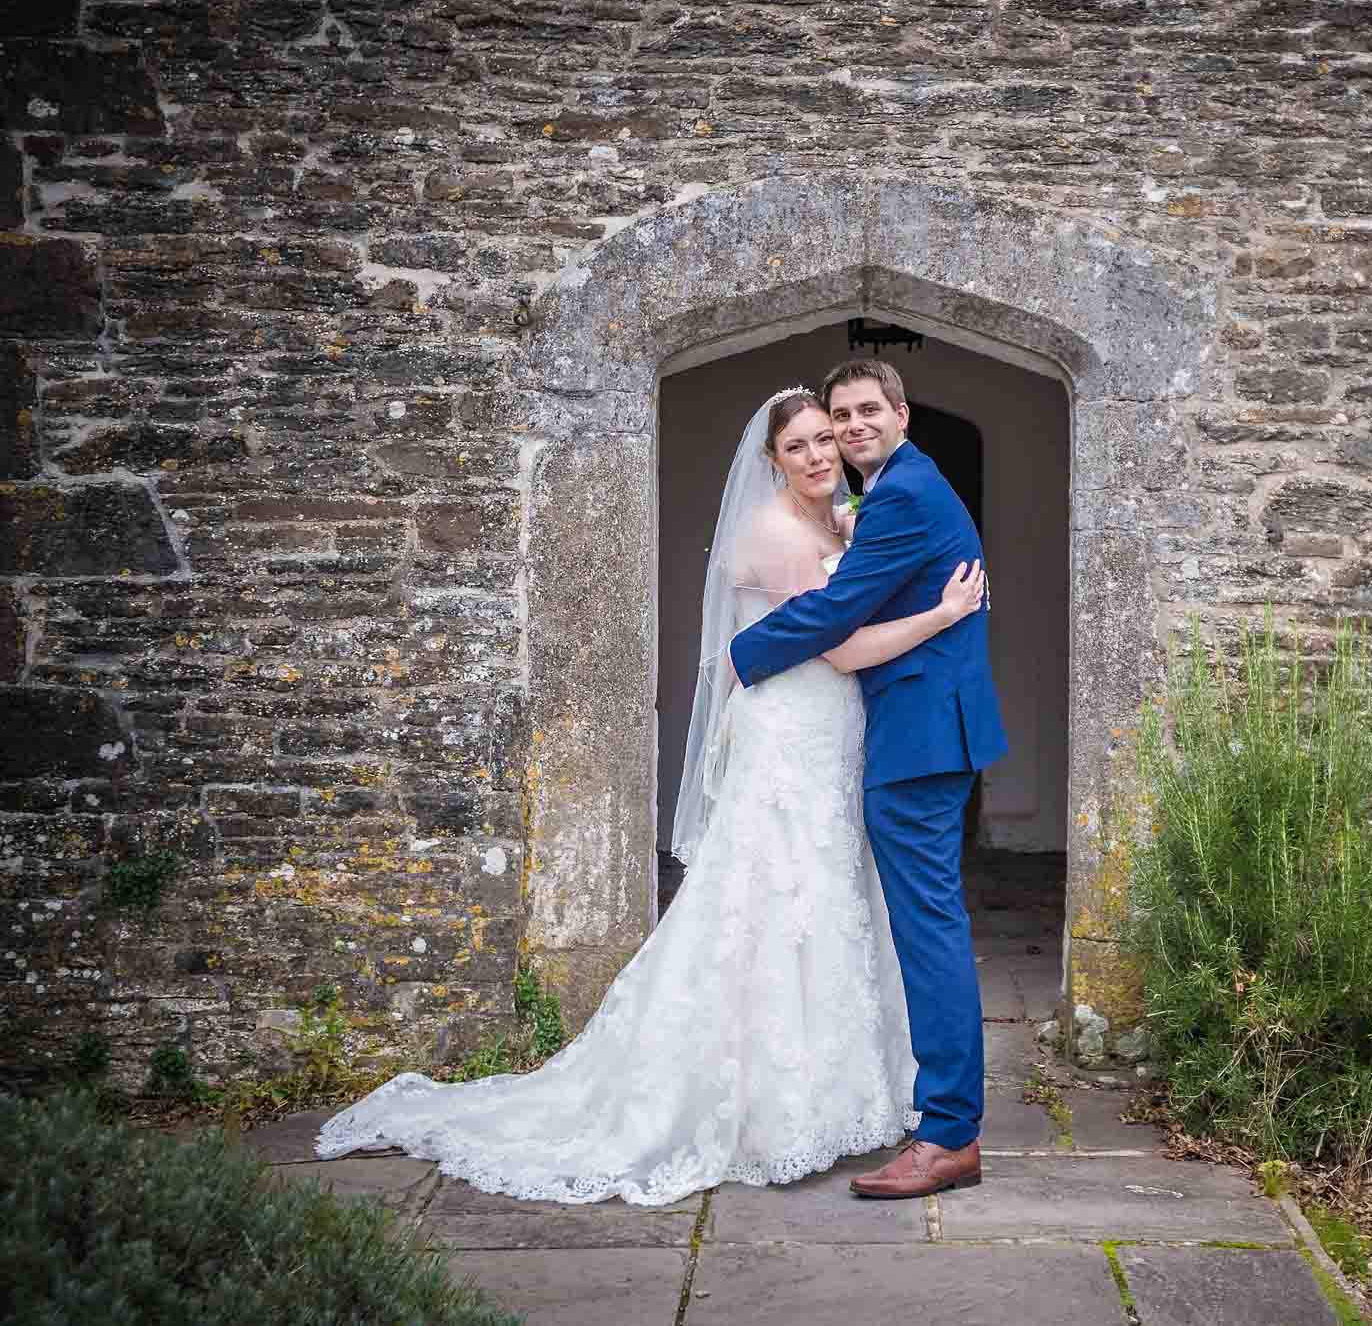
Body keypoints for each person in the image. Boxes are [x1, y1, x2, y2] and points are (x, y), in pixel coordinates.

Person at [314, 386, 987, 1206]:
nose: (828, 447)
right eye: (810, 438)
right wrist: (914, 618)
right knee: (786, 905)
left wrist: (778, 639)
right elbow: (838, 638)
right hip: (806, 728)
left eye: (839, 429)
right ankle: (803, 1101)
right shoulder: (795, 524)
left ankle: (920, 1117)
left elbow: (839, 612)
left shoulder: (880, 502)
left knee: (839, 907)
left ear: (902, 414)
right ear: (772, 458)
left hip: (864, 734)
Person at [730, 358, 1006, 1200]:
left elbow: (833, 611)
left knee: (928, 932)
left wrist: (745, 655)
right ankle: (940, 1118)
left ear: (902, 414)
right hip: (916, 731)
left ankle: (950, 1133)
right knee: (924, 927)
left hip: (918, 739)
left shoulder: (902, 495)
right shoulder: (893, 490)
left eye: (861, 413)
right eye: (836, 417)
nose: (849, 429)